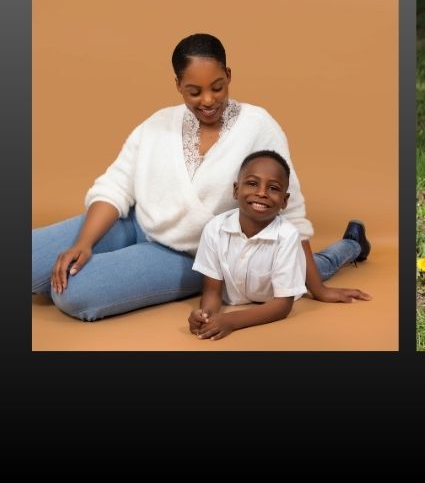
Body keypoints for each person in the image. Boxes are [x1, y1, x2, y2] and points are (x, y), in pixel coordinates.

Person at [32, 33, 372, 321]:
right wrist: (84, 243)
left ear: (229, 74)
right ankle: (93, 257)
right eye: (194, 91)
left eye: (217, 87)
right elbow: (116, 185)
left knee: (72, 294)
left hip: (190, 254)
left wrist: (319, 289)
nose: (207, 100)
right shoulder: (157, 123)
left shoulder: (259, 126)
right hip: (134, 225)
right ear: (178, 84)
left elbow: (290, 212)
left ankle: (350, 245)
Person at [189, 151, 359, 340]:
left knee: (324, 263)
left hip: (289, 265)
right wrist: (205, 316)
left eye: (273, 188)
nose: (261, 193)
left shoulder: (287, 236)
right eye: (253, 183)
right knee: (319, 262)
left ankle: (353, 242)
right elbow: (212, 291)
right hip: (278, 265)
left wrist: (231, 321)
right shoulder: (214, 229)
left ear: (285, 201)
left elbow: (282, 306)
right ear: (236, 190)